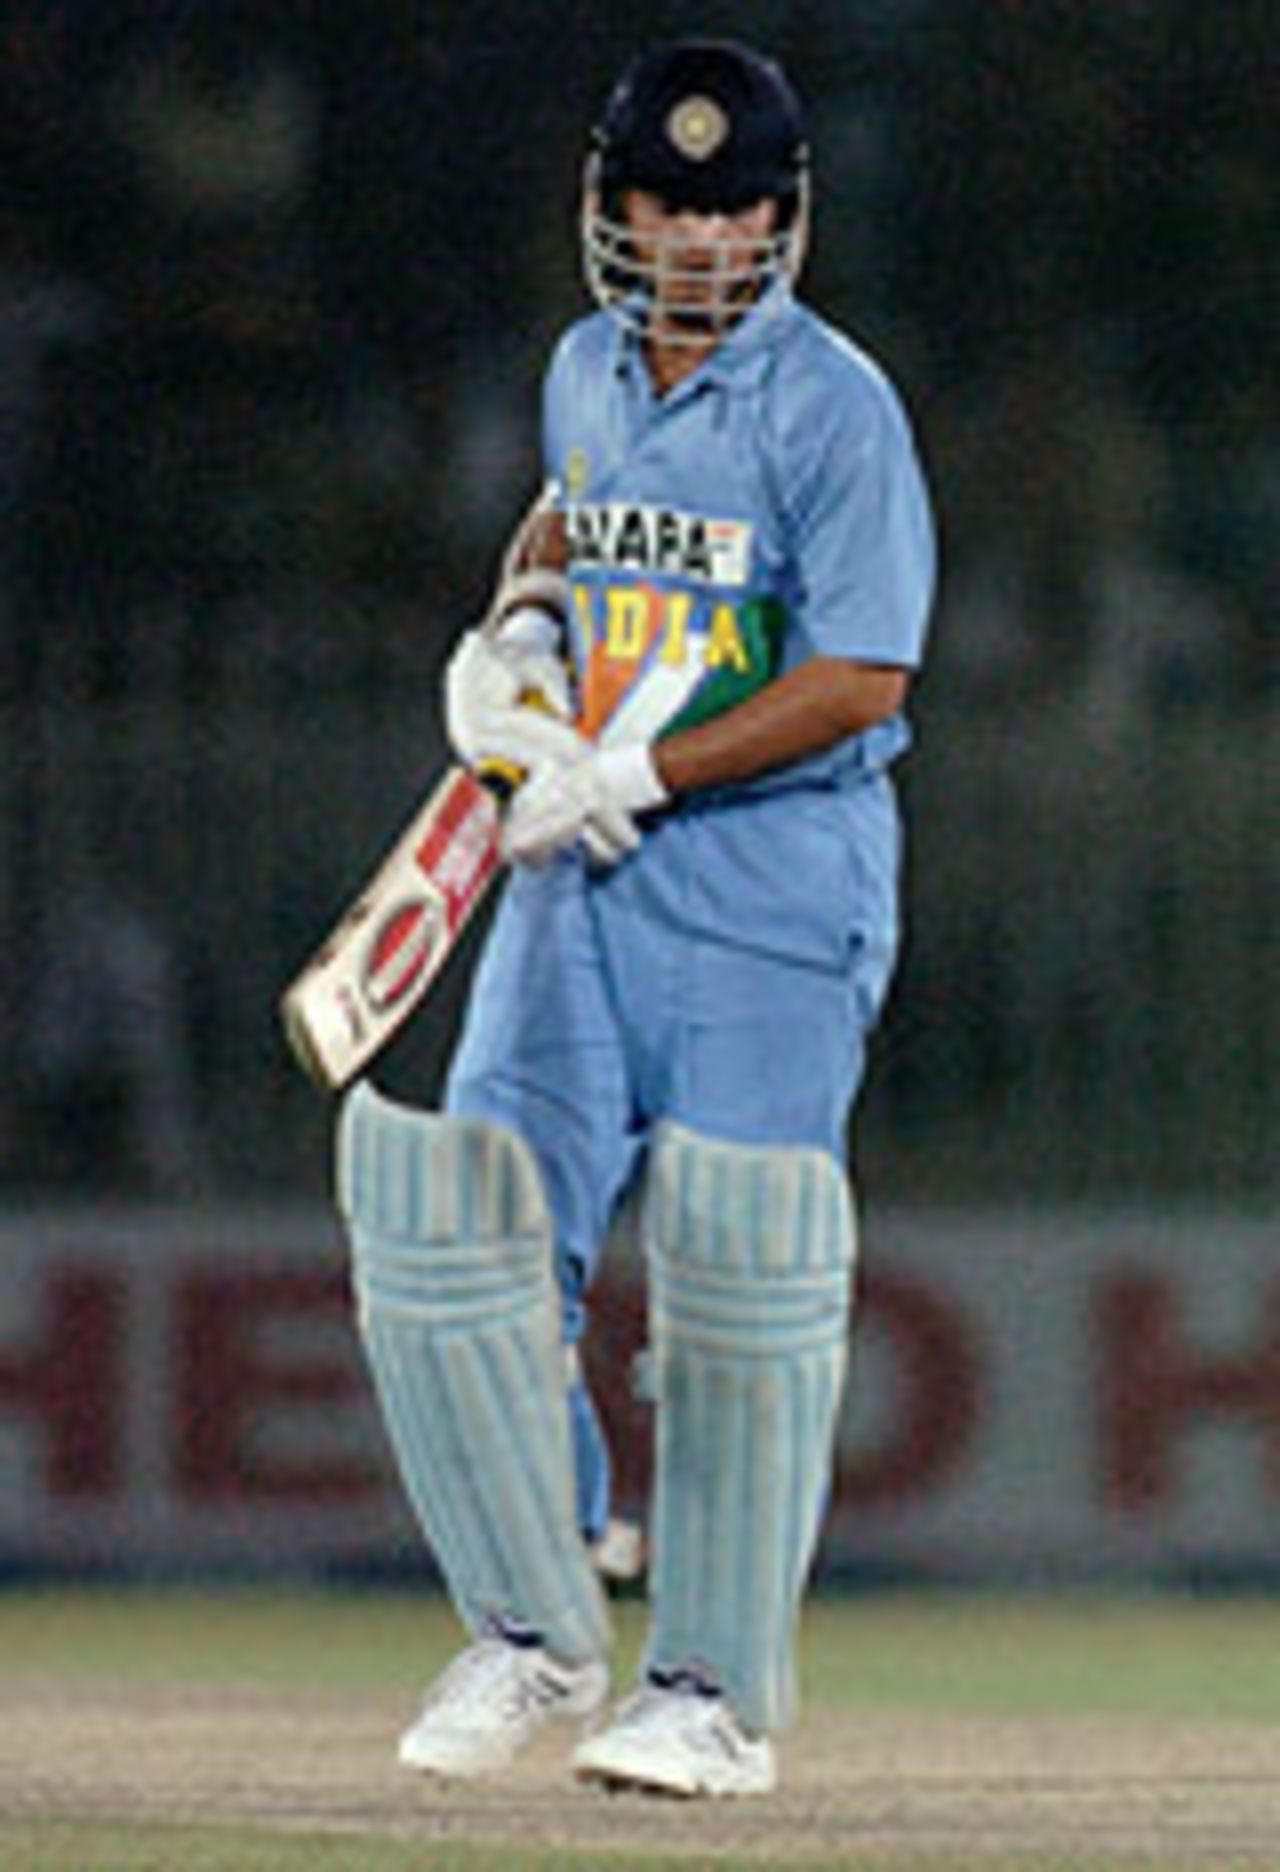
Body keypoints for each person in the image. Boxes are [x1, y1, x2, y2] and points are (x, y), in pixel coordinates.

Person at [336, 37, 935, 1798]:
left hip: (772, 879)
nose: (703, 239)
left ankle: (710, 1696)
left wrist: (645, 775)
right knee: (469, 1246)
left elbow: (861, 672)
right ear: (614, 213)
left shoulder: (837, 406)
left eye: (735, 205)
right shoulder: (584, 369)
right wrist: (519, 628)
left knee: (739, 1285)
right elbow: (574, 515)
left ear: (786, 213)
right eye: (669, 206)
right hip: (572, 880)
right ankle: (531, 1628)